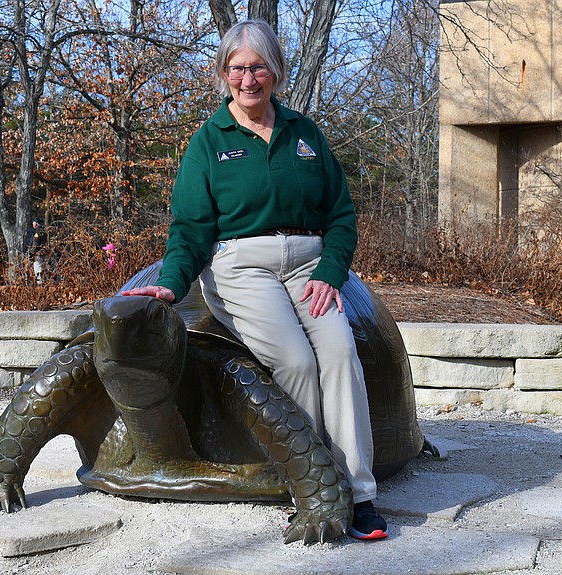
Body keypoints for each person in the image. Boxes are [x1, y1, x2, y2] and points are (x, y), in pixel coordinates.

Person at [122, 19, 387, 541]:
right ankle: (313, 485)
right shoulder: (207, 142)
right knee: (294, 360)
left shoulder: (304, 133)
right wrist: (171, 285)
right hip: (241, 264)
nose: (249, 78)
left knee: (338, 352)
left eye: (259, 66)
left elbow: (341, 215)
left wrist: (333, 270)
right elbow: (191, 230)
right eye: (239, 68)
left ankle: (358, 493)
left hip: (310, 263)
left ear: (276, 73)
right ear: (224, 74)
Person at [27, 218, 48, 284]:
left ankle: (40, 285)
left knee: (38, 270)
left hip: (38, 254)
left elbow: (35, 244)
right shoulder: (44, 232)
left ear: (36, 223)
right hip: (44, 253)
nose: (33, 223)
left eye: (34, 222)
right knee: (42, 269)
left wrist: (31, 253)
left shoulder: (37, 232)